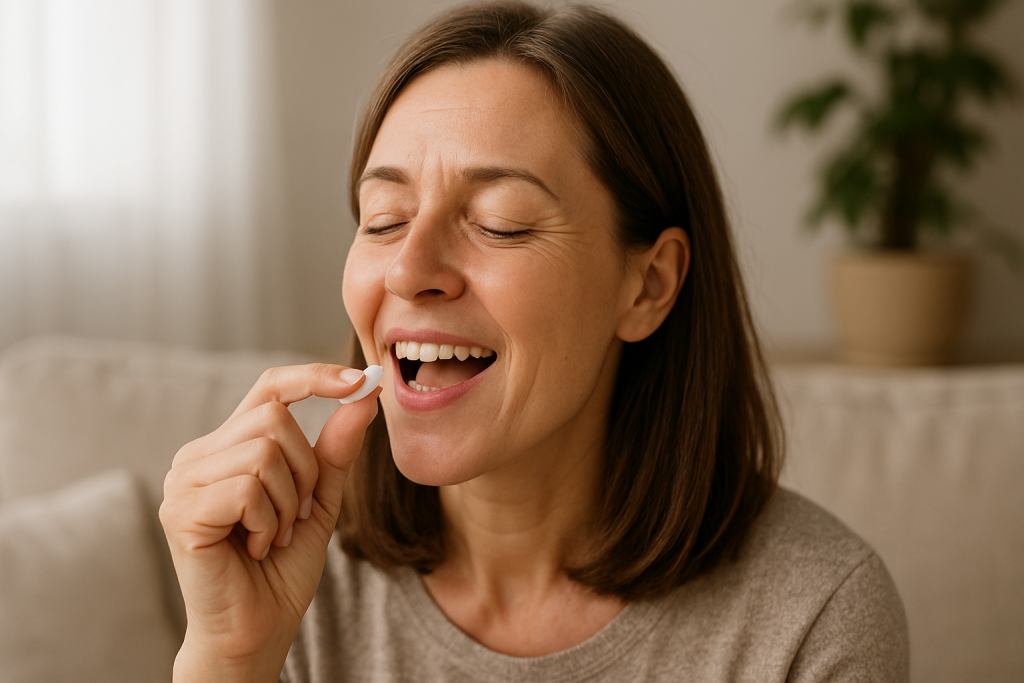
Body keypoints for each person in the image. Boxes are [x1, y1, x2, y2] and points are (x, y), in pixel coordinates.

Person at [159, 2, 910, 681]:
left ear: (648, 286)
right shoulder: (301, 592)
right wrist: (231, 657)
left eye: (500, 222)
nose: (408, 269)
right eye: (383, 218)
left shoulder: (813, 616)